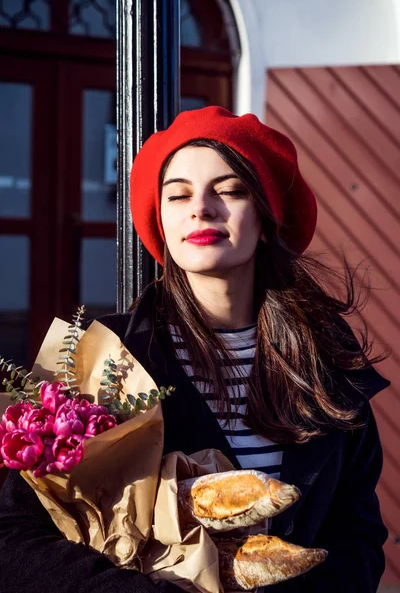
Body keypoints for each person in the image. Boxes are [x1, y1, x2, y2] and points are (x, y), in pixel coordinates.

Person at [0, 106, 390, 593]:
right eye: (179, 194)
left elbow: (358, 534)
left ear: (267, 218)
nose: (201, 208)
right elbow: (13, 537)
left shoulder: (324, 357)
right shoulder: (107, 357)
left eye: (229, 190)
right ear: (160, 223)